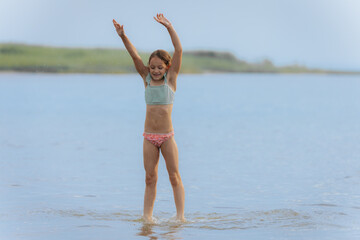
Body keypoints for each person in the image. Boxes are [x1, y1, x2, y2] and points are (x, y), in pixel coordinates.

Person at [113, 14, 185, 223]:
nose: (155, 71)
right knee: (149, 178)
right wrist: (123, 36)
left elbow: (179, 51)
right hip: (149, 138)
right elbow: (135, 56)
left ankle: (180, 217)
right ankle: (147, 218)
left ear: (167, 68)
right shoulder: (146, 79)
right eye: (152, 67)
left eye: (159, 68)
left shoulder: (170, 81)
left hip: (167, 137)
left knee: (174, 176)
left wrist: (169, 27)